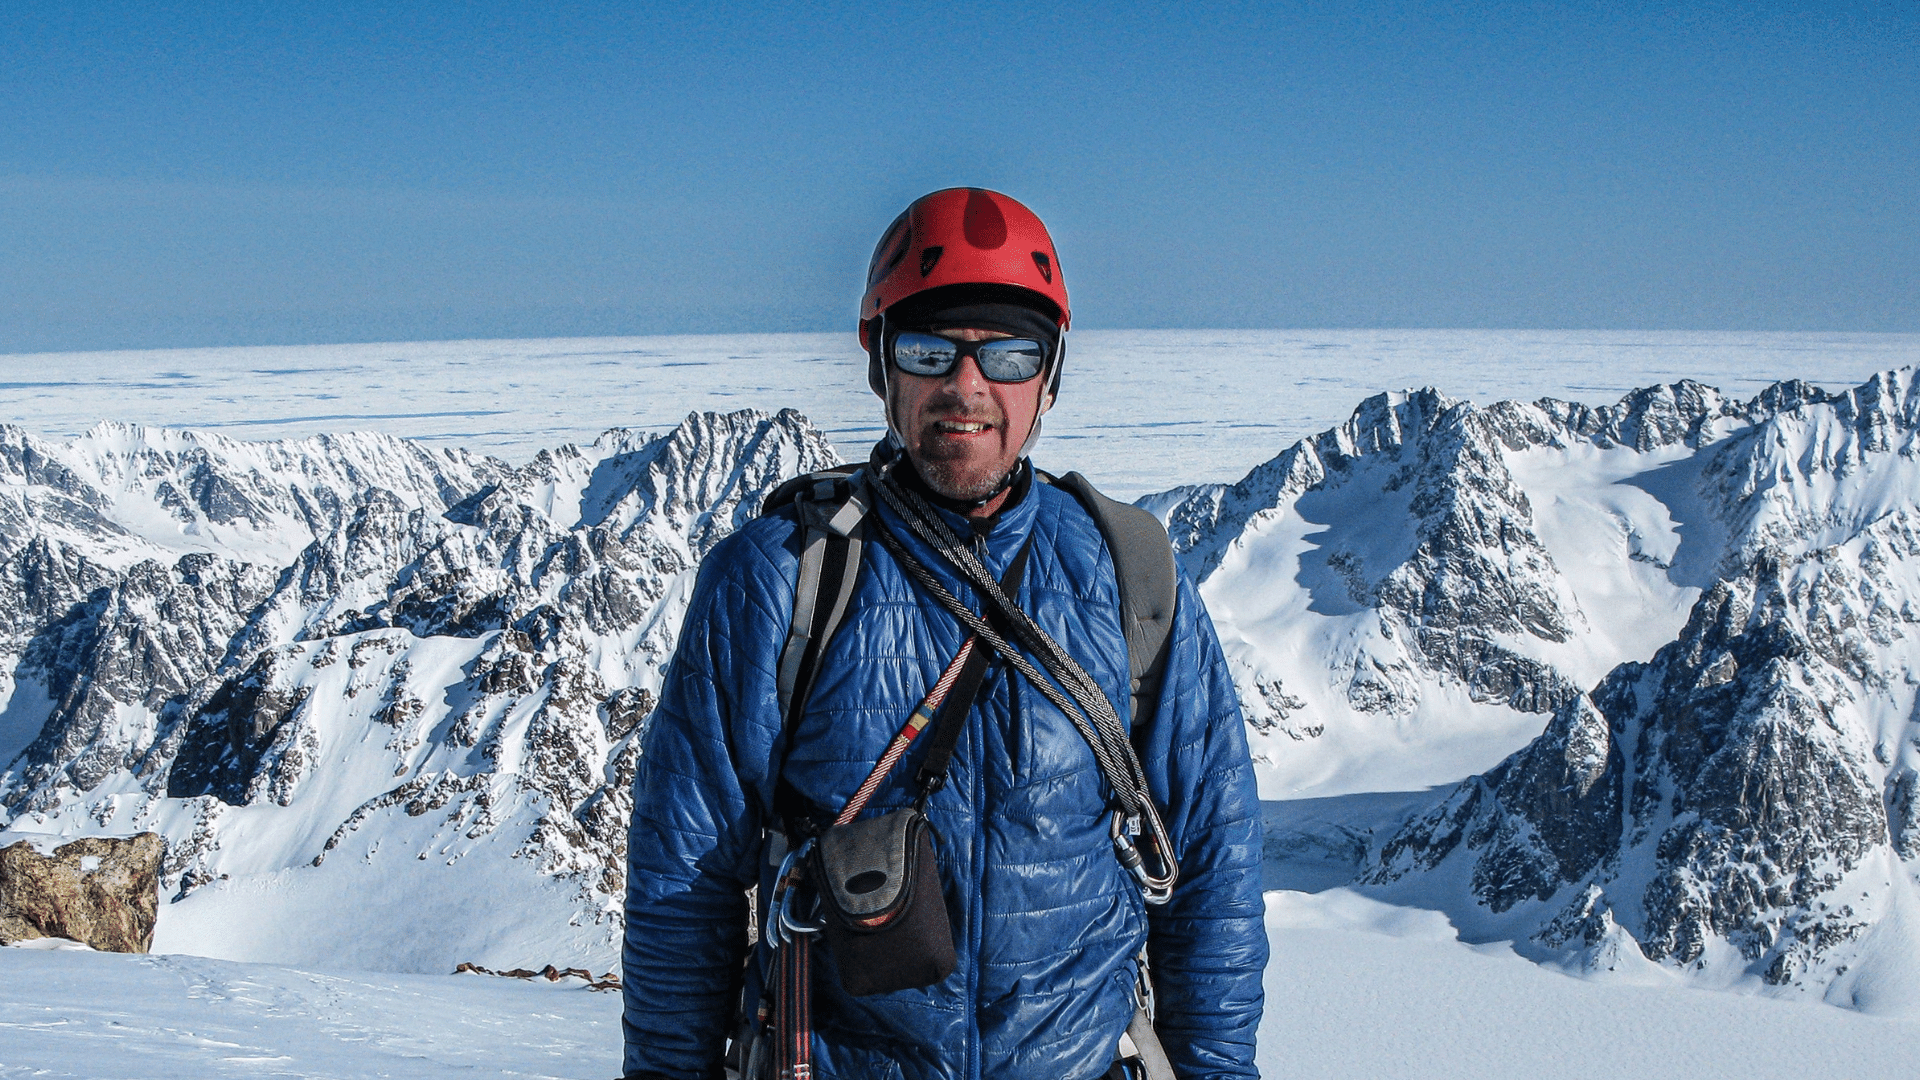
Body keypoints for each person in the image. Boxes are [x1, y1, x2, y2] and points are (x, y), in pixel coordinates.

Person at [622, 188, 1265, 1080]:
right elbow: (681, 891)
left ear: (1050, 375)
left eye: (1008, 352)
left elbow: (1211, 880)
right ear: (882, 365)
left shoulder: (1131, 580)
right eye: (931, 350)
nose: (968, 387)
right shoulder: (778, 580)